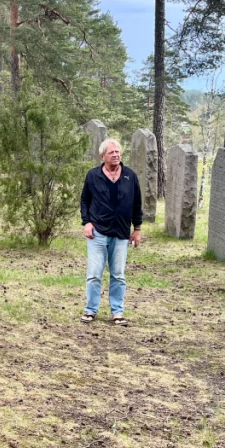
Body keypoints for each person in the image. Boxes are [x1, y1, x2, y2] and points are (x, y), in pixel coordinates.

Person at [79, 138, 142, 326]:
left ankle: (117, 312)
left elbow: (137, 204)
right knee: (94, 274)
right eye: (111, 152)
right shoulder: (93, 176)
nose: (116, 155)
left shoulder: (130, 176)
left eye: (118, 152)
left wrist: (137, 229)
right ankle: (90, 310)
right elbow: (84, 201)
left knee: (118, 275)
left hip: (121, 233)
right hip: (98, 232)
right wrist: (87, 222)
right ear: (103, 156)